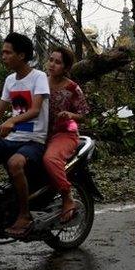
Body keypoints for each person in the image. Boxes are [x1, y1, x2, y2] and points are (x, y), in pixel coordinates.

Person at [0, 32, 50, 237]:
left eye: (7, 52)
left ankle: (24, 213)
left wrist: (12, 121)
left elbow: (35, 110)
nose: (3, 56)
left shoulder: (39, 77)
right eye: (3, 52)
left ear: (21, 55)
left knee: (15, 163)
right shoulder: (10, 80)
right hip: (13, 139)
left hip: (34, 140)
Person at [43, 46, 90, 223]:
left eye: (58, 62)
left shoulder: (72, 88)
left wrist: (71, 115)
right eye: (51, 60)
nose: (52, 64)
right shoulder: (40, 82)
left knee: (50, 159)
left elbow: (84, 115)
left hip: (64, 134)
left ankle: (67, 196)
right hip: (40, 133)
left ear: (66, 68)